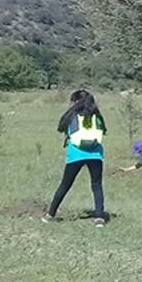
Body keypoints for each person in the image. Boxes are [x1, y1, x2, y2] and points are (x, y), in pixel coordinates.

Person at [43, 90, 107, 226]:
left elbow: (63, 129)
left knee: (65, 184)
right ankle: (99, 217)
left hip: (76, 154)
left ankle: (50, 214)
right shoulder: (97, 116)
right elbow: (103, 132)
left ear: (76, 101)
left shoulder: (72, 115)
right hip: (95, 155)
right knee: (96, 186)